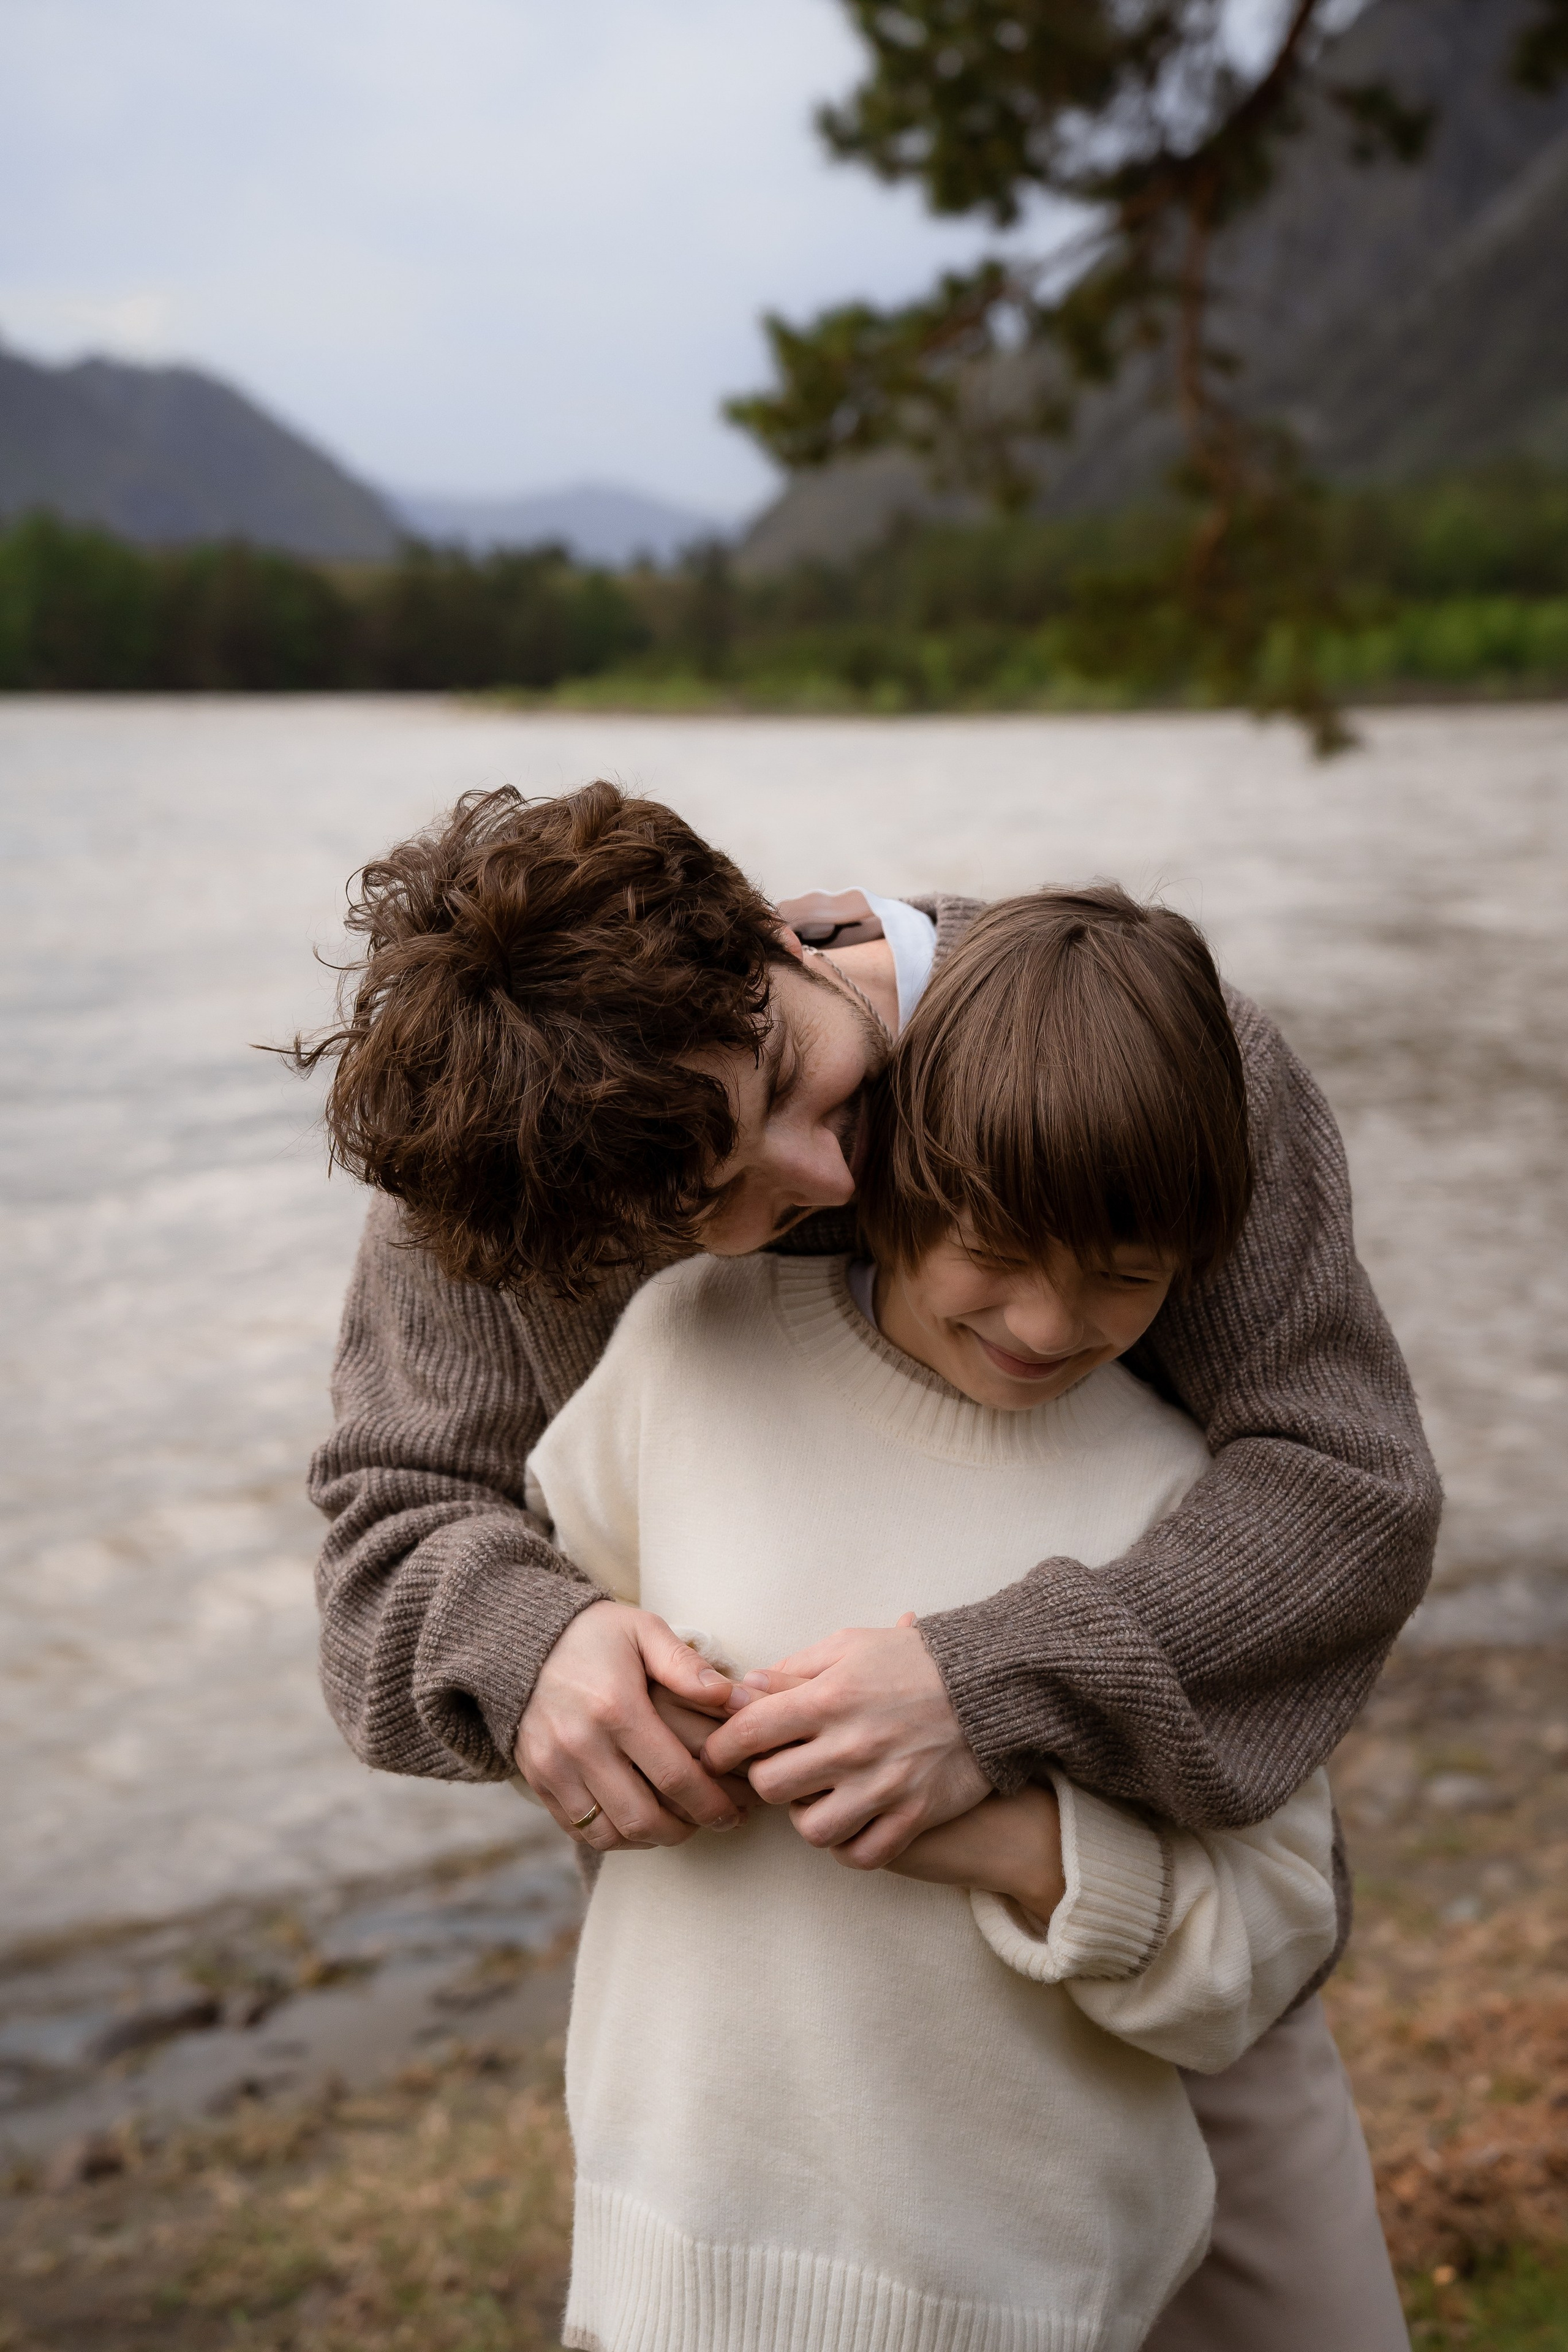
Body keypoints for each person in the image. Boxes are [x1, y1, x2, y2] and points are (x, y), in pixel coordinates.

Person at [303, 780, 1435, 2346]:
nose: (827, 1182)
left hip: (1168, 1953)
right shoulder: (505, 1184)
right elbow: (390, 1529)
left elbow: (1346, 1485)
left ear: (766, 930)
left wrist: (982, 1686)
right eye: (713, 1201)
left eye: (787, 1077)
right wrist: (527, 1641)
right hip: (777, 2030)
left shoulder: (1144, 1043)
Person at [522, 884, 1345, 2352]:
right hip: (668, 2255)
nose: (1046, 1325)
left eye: (1126, 1279)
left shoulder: (1187, 1515)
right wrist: (559, 1671)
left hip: (1029, 2290)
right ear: (884, 1183)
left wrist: (1019, 1847)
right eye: (995, 1254)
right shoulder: (679, 1354)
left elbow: (1267, 1940)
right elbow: (529, 1608)